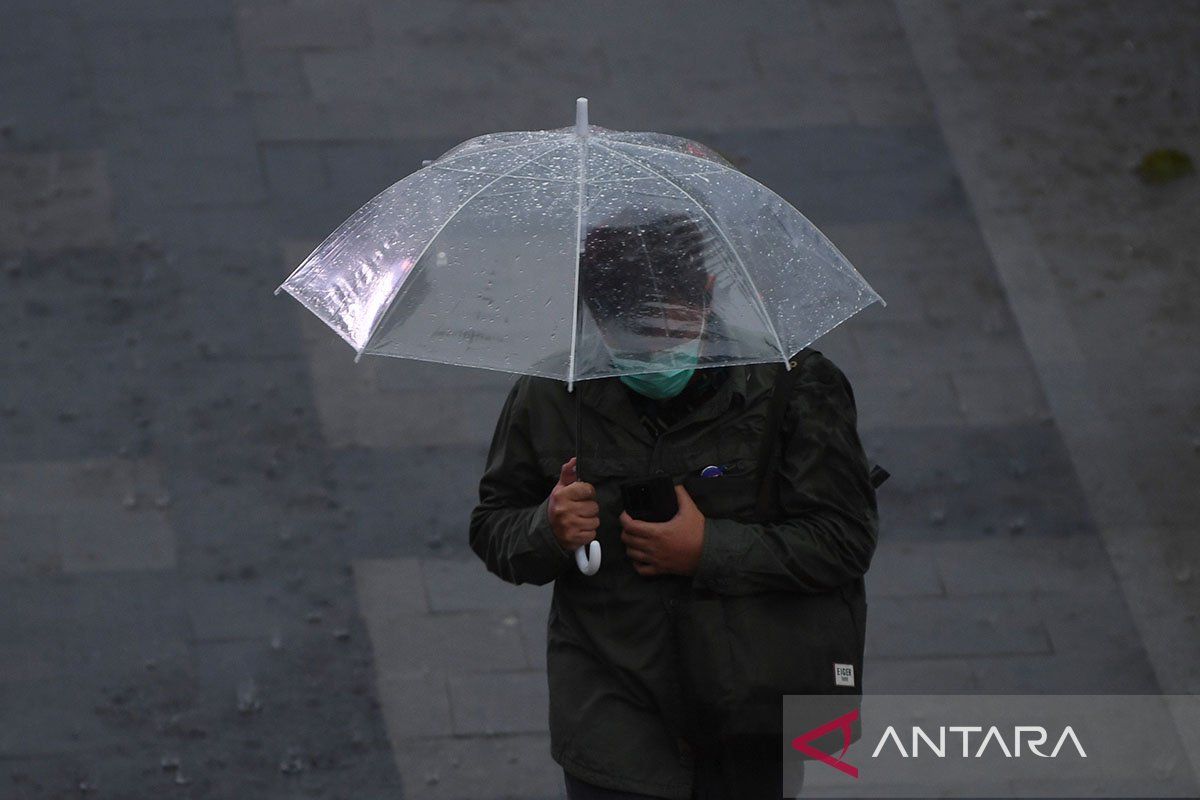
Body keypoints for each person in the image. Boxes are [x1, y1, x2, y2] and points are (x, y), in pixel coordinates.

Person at [468, 211, 878, 799]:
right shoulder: (552, 395)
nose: (653, 355)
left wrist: (708, 550)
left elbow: (844, 539)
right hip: (614, 722)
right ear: (593, 314)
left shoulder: (792, 387)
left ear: (708, 296)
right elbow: (493, 527)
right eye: (629, 336)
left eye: (672, 329)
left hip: (751, 709)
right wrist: (547, 527)